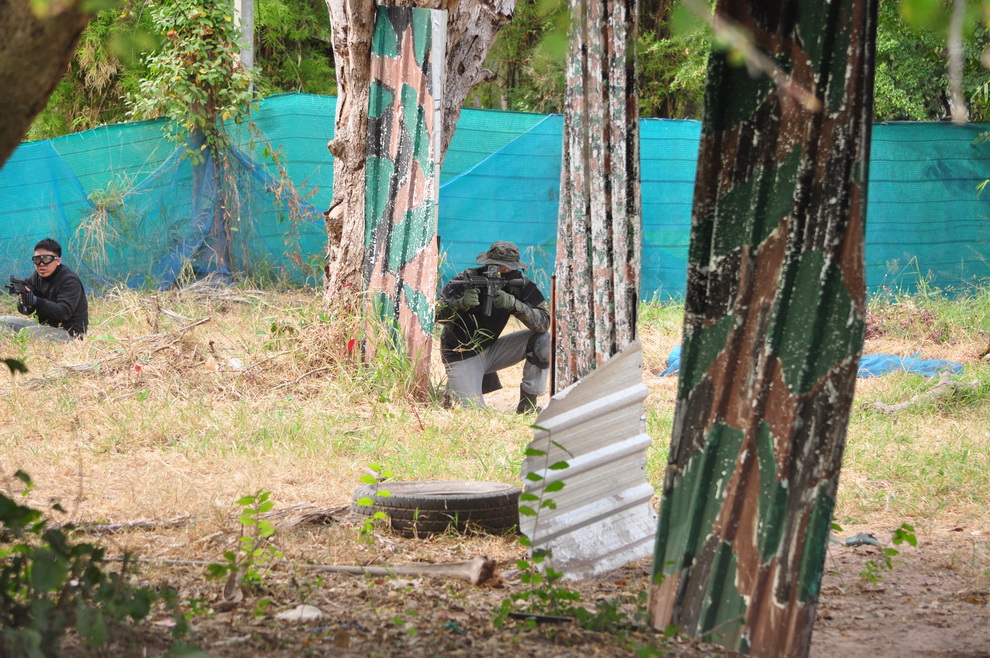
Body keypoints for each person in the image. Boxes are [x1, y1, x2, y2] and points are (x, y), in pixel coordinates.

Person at [437, 241, 551, 413]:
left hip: (491, 350)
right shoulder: (466, 279)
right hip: (461, 354)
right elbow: (436, 315)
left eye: (505, 267)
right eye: (496, 265)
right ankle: (454, 386)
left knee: (543, 341)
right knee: (473, 415)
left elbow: (544, 322)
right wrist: (460, 304)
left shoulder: (520, 283)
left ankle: (527, 406)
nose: (499, 270)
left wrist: (514, 305)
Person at [0, 238, 89, 342]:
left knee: (26, 332)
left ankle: (17, 340)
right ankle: (11, 341)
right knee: (2, 321)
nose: (41, 264)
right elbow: (27, 311)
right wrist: (24, 301)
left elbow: (64, 313)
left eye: (47, 259)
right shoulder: (37, 276)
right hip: (43, 326)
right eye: (37, 260)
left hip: (69, 332)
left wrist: (36, 301)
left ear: (58, 261)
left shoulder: (69, 281)